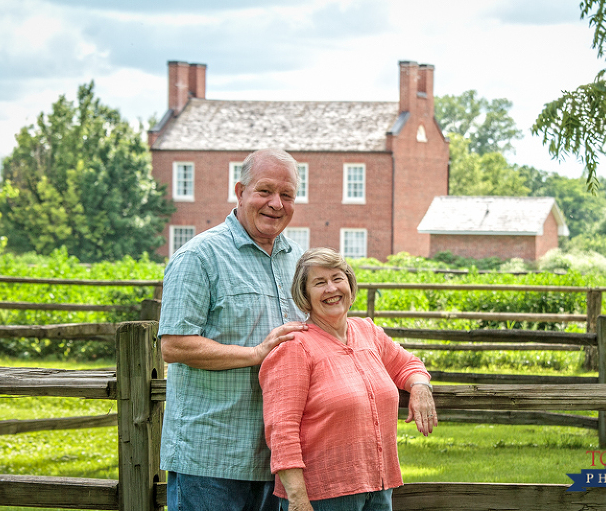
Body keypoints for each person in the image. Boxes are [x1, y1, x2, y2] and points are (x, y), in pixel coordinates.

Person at [158, 148, 309, 511]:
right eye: (265, 191)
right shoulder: (199, 256)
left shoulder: (300, 261)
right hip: (211, 458)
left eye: (286, 194)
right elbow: (174, 346)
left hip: (278, 461)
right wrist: (256, 354)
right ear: (240, 191)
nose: (276, 203)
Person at [259, 248, 438, 511]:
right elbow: (281, 430)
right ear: (305, 294)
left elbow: (407, 364)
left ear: (350, 285)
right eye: (319, 283)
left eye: (337, 278)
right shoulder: (294, 346)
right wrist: (298, 499)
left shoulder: (367, 331)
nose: (331, 288)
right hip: (323, 496)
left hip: (379, 489)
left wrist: (421, 387)